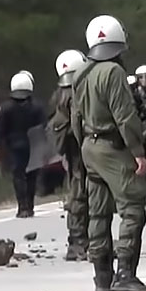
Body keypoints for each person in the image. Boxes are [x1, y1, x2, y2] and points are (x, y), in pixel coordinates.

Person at [71, 14, 146, 291]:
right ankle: (125, 274)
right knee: (133, 208)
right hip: (111, 146)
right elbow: (125, 116)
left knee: (98, 212)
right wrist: (138, 152)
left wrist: (84, 145)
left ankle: (102, 275)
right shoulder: (114, 72)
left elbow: (75, 117)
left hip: (89, 147)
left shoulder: (81, 72)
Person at [48, 49, 89, 260]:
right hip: (80, 151)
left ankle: (78, 240)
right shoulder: (76, 93)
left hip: (70, 152)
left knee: (77, 194)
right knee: (80, 195)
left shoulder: (59, 94)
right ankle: (78, 242)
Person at [0, 72, 45, 217]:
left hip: (15, 147)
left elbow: (0, 128)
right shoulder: (37, 107)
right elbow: (44, 127)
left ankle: (23, 207)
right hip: (34, 146)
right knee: (32, 177)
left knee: (18, 176)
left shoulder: (6, 108)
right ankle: (30, 205)